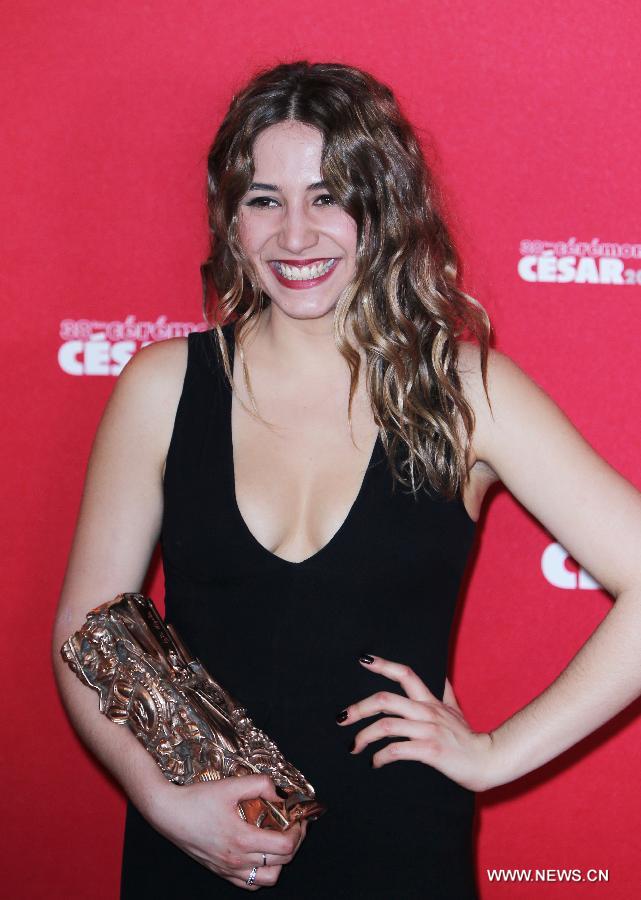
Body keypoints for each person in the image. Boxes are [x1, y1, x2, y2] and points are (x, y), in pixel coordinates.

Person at [51, 61, 641, 899]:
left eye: (328, 196)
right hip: (197, 841)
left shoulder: (462, 392)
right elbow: (87, 632)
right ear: (231, 216)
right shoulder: (161, 386)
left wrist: (496, 755)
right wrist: (160, 799)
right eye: (265, 200)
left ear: (383, 206)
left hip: (398, 845)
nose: (295, 236)